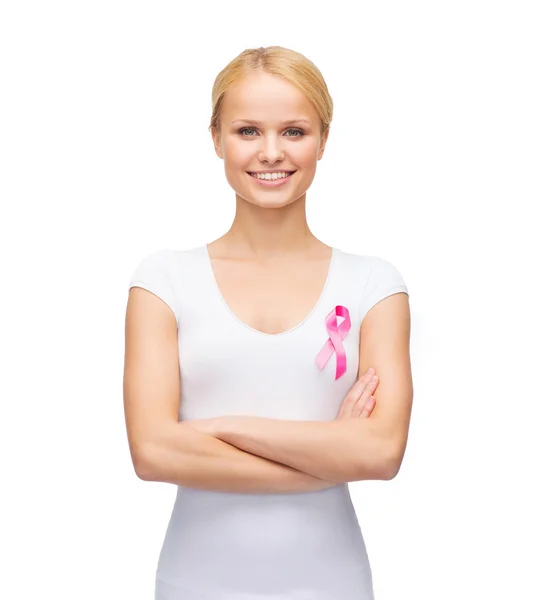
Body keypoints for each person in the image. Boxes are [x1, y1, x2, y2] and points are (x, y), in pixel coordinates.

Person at [124, 45, 413, 600]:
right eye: (248, 131)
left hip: (331, 584)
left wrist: (216, 428)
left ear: (324, 140)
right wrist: (330, 452)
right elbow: (153, 453)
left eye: (295, 132)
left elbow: (379, 453)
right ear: (216, 139)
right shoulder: (163, 281)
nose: (271, 152)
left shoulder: (375, 285)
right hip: (194, 584)